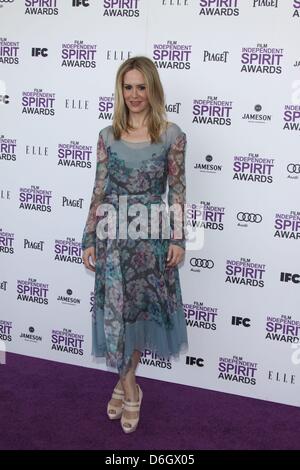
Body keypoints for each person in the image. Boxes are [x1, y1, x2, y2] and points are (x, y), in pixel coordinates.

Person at [82, 56, 188, 433]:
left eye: (141, 87)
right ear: (120, 90)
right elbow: (99, 189)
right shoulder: (107, 135)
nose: (135, 95)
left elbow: (176, 192)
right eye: (128, 87)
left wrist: (177, 238)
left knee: (138, 315)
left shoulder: (172, 135)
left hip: (151, 239)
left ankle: (124, 382)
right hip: (113, 238)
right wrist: (89, 238)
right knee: (116, 315)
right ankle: (130, 387)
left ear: (153, 89)